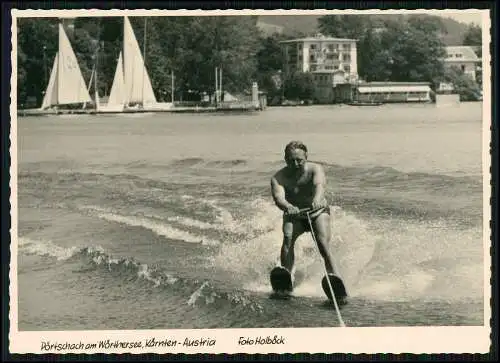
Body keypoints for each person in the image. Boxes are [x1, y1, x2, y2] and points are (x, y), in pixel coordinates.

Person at [270, 141, 338, 279]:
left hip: (317, 212)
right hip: (294, 215)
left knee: (322, 243)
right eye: (291, 161)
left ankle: (334, 276)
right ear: (285, 159)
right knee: (288, 237)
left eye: (299, 160)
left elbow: (319, 185)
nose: (295, 164)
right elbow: (279, 198)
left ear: (306, 157)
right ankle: (286, 275)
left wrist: (317, 200)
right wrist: (288, 207)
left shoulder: (315, 169)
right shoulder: (278, 178)